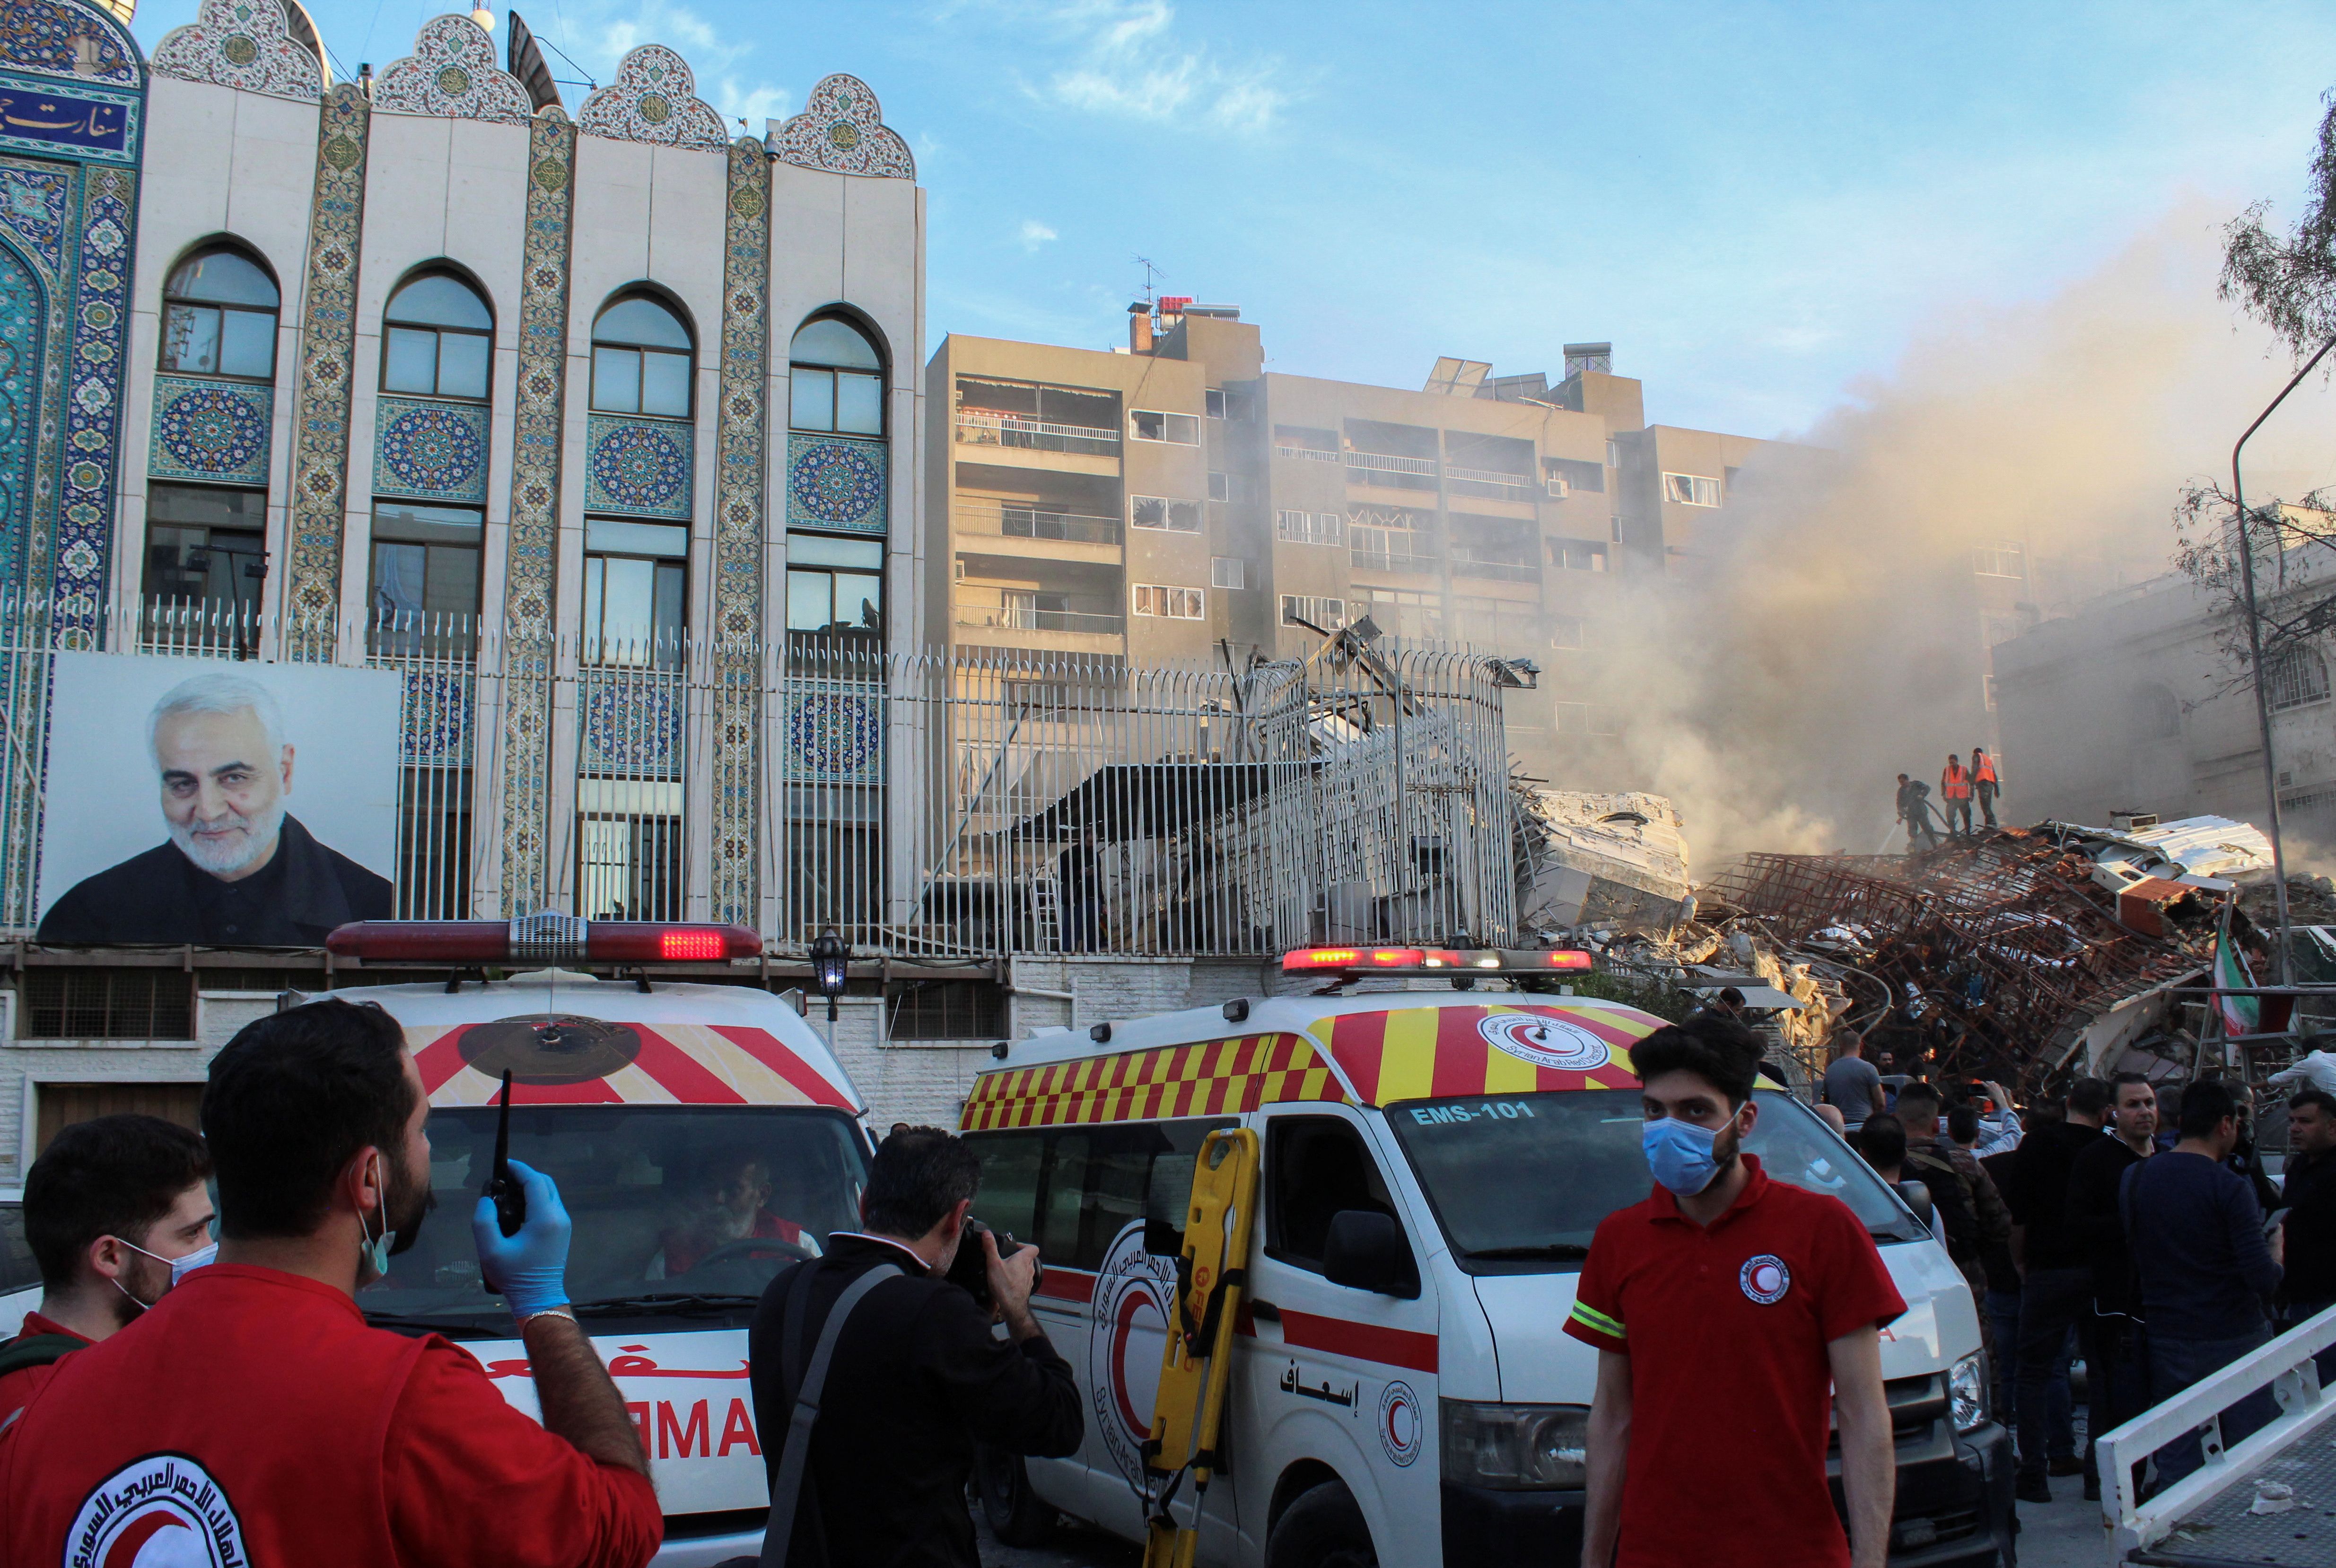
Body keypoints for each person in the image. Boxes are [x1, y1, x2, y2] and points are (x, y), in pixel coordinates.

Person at [0, 998, 663, 1568]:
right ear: (368, 1178)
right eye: (423, 1129)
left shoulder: (46, 1410)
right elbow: (619, 1525)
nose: (430, 1153)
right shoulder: (410, 1400)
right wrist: (544, 1305)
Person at [1571, 1016, 1904, 1568]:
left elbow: (1865, 1413)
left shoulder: (1822, 1230)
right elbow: (1611, 1416)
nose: (1668, 1128)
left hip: (1794, 1552)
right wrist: (1593, 1556)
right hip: (1653, 1552)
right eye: (1655, 1111)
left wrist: (1869, 1560)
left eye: (1695, 1111)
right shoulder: (1619, 1240)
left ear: (1744, 1120)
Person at [747, 1126, 1083, 1568]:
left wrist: (970, 1318)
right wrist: (1016, 1310)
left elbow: (888, 1398)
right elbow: (1058, 1421)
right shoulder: (934, 1316)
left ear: (865, 1201)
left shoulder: (784, 1292)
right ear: (956, 1215)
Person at [36, 672, 393, 945]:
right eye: (182, 784)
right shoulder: (86, 918)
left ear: (284, 771)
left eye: (234, 778)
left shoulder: (376, 914)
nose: (208, 811)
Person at [0, 1115, 215, 1425]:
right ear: (111, 1256)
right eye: (193, 1233)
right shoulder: (41, 1407)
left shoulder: (137, 1366)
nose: (210, 1249)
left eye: (209, 1228)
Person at [2123, 1078, 2284, 1485]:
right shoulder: (2229, 1186)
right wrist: (2277, 1251)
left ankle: (2171, 1531)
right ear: (2226, 1124)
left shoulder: (2134, 1177)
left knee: (2177, 1454)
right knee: (2250, 1453)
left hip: (2166, 1335)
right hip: (2233, 1336)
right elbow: (2261, 1277)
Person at [2003, 1076, 2111, 1503]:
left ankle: (2033, 1472)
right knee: (2102, 1373)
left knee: (2032, 1372)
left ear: (2069, 1103)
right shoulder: (2107, 1153)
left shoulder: (2035, 1146)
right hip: (2097, 1271)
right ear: (2105, 1113)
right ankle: (2096, 1474)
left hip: (2048, 1269)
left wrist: (2020, 1262)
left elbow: (2018, 1216)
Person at [2063, 1072, 2158, 1501]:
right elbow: (2077, 1223)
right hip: (2112, 1298)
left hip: (2157, 1296)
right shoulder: (2097, 1158)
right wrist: (2129, 1223)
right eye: (2134, 1104)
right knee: (2111, 1393)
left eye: (2149, 1102)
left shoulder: (2167, 1157)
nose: (2144, 1112)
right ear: (2113, 1112)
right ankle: (2103, 1477)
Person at [659, 1153, 817, 1276]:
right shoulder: (675, 1255)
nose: (719, 1199)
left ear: (762, 1195)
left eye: (733, 1189)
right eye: (712, 1188)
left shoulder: (800, 1248)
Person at [2281, 1088, 2336, 1330]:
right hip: (2300, 1294)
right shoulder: (2300, 1165)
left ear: (2332, 1126)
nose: (2294, 1128)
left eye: (2305, 1121)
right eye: (2292, 1121)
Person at [1825, 1035, 1886, 1132]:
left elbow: (1826, 1103)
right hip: (1864, 1125)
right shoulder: (1869, 1068)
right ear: (1862, 1046)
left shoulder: (1830, 1070)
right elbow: (1880, 1103)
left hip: (1840, 1126)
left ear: (1841, 1046)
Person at [1896, 773, 1942, 852]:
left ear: (1907, 780)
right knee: (1912, 832)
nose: (1902, 784)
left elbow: (1927, 788)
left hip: (1921, 812)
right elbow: (1899, 804)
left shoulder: (1916, 784)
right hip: (1911, 815)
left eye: (1903, 782)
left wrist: (1922, 795)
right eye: (1900, 782)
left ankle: (1935, 846)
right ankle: (1913, 851)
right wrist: (1901, 813)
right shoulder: (1901, 792)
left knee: (1928, 829)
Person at [1940, 754, 1974, 838]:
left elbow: (1971, 783)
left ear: (1957, 761)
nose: (1951, 764)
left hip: (1963, 798)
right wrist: (1944, 794)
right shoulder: (1947, 770)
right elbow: (1943, 783)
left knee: (1966, 816)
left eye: (1953, 762)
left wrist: (1971, 795)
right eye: (1950, 763)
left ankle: (1968, 833)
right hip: (1952, 798)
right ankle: (1953, 833)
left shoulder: (1964, 769)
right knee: (1950, 815)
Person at [1972, 748, 2002, 828]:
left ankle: (1992, 823)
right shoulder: (1988, 759)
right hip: (1990, 784)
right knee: (1987, 804)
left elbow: (1975, 769)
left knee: (1985, 804)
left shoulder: (1977, 756)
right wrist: (1997, 789)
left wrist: (1972, 780)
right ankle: (1989, 824)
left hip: (1983, 782)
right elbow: (1994, 774)